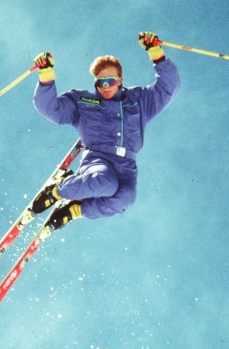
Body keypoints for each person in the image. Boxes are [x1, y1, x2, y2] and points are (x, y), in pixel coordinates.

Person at [30, 32, 180, 232]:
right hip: (98, 159)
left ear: (120, 80)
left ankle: (75, 210)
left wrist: (156, 52)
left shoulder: (139, 100)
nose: (104, 87)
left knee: (126, 198)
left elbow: (169, 87)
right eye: (100, 83)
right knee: (106, 183)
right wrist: (46, 76)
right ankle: (57, 191)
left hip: (127, 165)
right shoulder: (84, 102)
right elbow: (51, 109)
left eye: (109, 81)